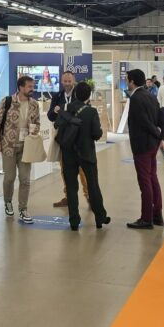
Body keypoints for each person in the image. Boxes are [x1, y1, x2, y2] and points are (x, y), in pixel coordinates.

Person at [59, 82, 110, 231]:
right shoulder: (91, 112)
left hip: (68, 153)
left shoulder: (66, 108)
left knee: (71, 187)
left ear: (75, 94)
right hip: (87, 153)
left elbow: (58, 126)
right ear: (89, 95)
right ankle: (100, 218)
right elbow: (96, 134)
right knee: (93, 185)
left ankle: (74, 221)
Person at [0, 75, 40, 224]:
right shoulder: (7, 102)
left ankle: (23, 209)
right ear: (21, 87)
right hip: (8, 146)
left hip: (26, 147)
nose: (32, 89)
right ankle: (7, 202)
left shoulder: (34, 104)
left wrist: (33, 130)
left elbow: (37, 122)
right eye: (29, 86)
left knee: (25, 180)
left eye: (33, 86)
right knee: (9, 178)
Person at [125, 69, 164, 229]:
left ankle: (147, 218)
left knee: (145, 181)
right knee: (152, 178)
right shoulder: (150, 95)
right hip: (152, 144)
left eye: (127, 80)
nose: (126, 83)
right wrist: (160, 137)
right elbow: (160, 117)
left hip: (142, 145)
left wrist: (156, 133)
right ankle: (157, 215)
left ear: (132, 81)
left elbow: (143, 121)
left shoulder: (136, 98)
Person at [48, 71, 88, 209]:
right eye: (64, 81)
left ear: (74, 81)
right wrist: (55, 111)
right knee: (64, 170)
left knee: (82, 170)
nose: (67, 84)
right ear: (61, 81)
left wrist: (64, 111)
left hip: (79, 139)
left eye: (69, 81)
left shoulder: (80, 94)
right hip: (64, 139)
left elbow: (83, 113)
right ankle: (68, 196)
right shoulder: (57, 96)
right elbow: (50, 116)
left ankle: (89, 195)